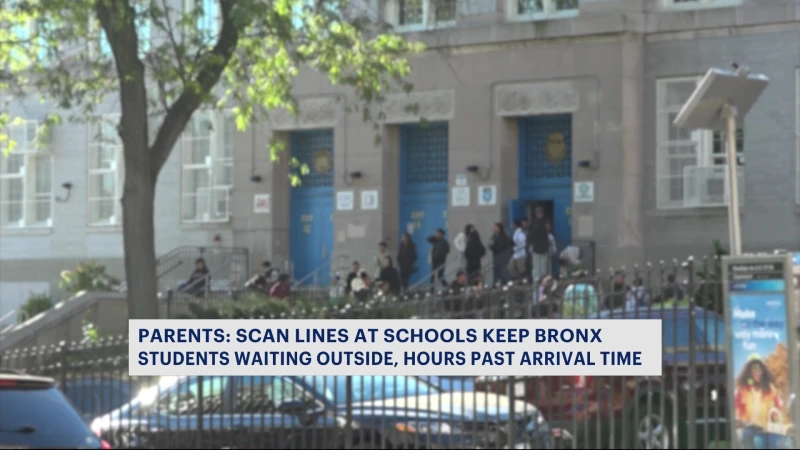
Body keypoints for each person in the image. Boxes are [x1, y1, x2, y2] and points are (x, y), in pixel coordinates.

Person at [734, 356, 784, 431]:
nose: (757, 372)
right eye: (754, 369)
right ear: (749, 372)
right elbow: (736, 410)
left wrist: (775, 421)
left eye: (760, 369)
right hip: (747, 432)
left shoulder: (771, 389)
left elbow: (778, 408)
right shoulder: (742, 390)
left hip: (766, 432)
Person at [528, 206, 551, 283]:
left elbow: (548, 230)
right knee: (537, 269)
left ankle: (542, 284)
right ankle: (537, 284)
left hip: (542, 247)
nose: (539, 214)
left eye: (540, 213)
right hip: (537, 247)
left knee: (542, 269)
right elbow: (530, 234)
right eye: (538, 213)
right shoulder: (535, 222)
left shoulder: (544, 222)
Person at [489, 222, 513, 286]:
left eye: (495, 227)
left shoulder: (503, 237)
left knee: (503, 272)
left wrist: (493, 246)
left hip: (502, 257)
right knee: (497, 272)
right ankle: (496, 284)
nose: (494, 228)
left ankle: (507, 283)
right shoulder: (494, 236)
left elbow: (500, 246)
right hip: (496, 258)